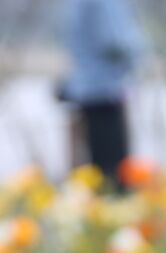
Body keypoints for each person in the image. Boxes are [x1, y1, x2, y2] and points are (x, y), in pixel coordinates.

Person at [60, 0, 142, 188]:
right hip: (105, 91)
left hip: (85, 90)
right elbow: (116, 42)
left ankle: (95, 207)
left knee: (94, 172)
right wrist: (137, 56)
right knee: (114, 175)